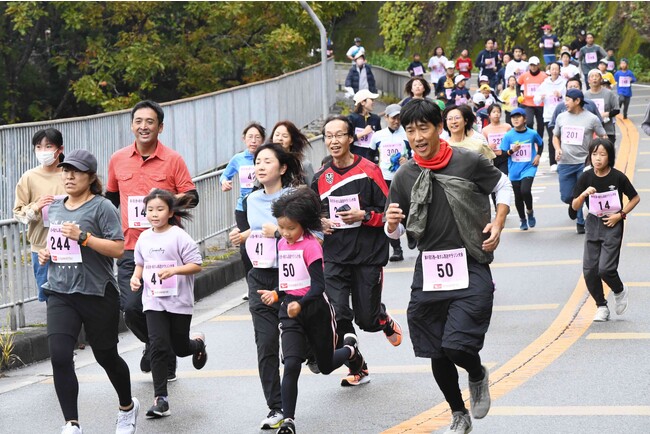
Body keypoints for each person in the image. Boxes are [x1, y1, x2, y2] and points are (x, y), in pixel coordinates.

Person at [384, 98, 512, 434]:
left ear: (439, 128)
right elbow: (395, 230)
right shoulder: (404, 175)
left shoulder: (467, 160)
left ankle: (477, 373)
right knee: (436, 349)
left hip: (469, 263)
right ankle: (458, 413)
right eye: (410, 130)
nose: (417, 137)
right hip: (429, 268)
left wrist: (498, 222)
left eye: (423, 128)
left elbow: (502, 185)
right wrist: (391, 224)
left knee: (456, 345)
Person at [38, 149, 139, 434]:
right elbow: (57, 243)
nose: (69, 176)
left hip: (96, 292)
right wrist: (47, 253)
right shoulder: (55, 207)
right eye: (65, 170)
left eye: (76, 172)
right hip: (60, 291)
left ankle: (127, 407)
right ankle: (72, 423)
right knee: (60, 356)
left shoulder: (102, 207)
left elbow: (118, 248)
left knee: (106, 356)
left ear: (91, 177)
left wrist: (84, 237)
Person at [260, 187, 365, 434]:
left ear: (304, 225)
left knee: (325, 366)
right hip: (290, 312)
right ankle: (289, 420)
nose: (285, 233)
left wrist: (301, 303)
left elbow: (318, 286)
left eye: (291, 228)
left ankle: (350, 350)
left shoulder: (311, 246)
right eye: (281, 227)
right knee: (292, 364)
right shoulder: (282, 244)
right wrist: (276, 294)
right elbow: (288, 281)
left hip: (316, 310)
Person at [106, 100, 199, 380]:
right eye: (138, 121)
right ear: (131, 125)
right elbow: (110, 200)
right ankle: (156, 344)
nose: (143, 126)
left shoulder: (173, 159)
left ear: (160, 127)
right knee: (132, 308)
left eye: (150, 122)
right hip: (131, 248)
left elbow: (193, 197)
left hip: (166, 251)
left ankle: (163, 358)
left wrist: (166, 204)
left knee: (163, 308)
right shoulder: (118, 159)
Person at [312, 115, 403, 387]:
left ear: (351, 138)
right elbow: (311, 216)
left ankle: (382, 319)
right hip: (335, 257)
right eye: (329, 136)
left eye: (339, 135)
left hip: (367, 256)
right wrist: (319, 222)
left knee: (367, 320)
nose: (334, 141)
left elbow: (389, 213)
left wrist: (364, 215)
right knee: (338, 315)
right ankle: (358, 367)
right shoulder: (320, 178)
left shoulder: (369, 170)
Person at [229, 143, 303, 430]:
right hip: (259, 277)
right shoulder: (251, 200)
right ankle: (276, 407)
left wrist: (279, 233)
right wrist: (243, 235)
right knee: (266, 342)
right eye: (257, 161)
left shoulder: (295, 198)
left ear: (282, 168)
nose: (260, 166)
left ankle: (317, 352)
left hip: (291, 276)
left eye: (267, 161)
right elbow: (259, 230)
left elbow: (311, 237)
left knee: (298, 347)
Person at [130, 189, 207, 419]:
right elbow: (140, 264)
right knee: (158, 345)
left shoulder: (179, 236)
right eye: (150, 210)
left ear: (171, 212)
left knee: (180, 348)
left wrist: (174, 270)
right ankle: (160, 399)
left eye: (160, 209)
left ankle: (197, 345)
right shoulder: (144, 238)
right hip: (153, 300)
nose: (154, 214)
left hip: (179, 301)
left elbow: (196, 265)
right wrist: (135, 278)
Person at [571, 138, 640, 322]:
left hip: (612, 224)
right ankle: (601, 306)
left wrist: (620, 215)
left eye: (602, 154)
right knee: (589, 270)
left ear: (610, 157)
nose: (598, 158)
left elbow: (635, 198)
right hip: (593, 223)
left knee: (605, 269)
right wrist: (583, 194)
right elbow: (574, 206)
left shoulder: (618, 177)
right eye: (594, 154)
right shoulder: (586, 177)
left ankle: (619, 290)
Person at [13, 128, 67, 303]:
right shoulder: (29, 177)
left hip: (71, 246)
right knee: (50, 299)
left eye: (48, 146)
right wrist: (36, 207)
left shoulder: (70, 174)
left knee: (73, 296)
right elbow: (18, 214)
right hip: (41, 249)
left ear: (60, 149)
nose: (43, 151)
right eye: (38, 146)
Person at [553, 88, 607, 234]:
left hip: (585, 163)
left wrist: (599, 153)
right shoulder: (561, 117)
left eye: (567, 100)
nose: (565, 103)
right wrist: (557, 149)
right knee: (566, 196)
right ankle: (573, 205)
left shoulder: (592, 118)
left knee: (583, 192)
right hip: (565, 162)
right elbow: (555, 136)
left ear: (577, 101)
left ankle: (581, 222)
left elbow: (603, 136)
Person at [221, 122, 266, 274]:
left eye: (257, 137)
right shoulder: (238, 159)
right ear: (244, 139)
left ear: (263, 140)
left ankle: (263, 277)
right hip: (243, 208)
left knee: (262, 240)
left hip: (262, 206)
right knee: (245, 245)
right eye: (250, 137)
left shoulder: (267, 157)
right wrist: (224, 182)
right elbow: (224, 175)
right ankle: (250, 278)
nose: (253, 141)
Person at [370, 103, 412, 262]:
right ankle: (397, 249)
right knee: (389, 213)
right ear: (386, 117)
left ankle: (413, 235)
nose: (396, 121)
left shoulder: (407, 134)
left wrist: (408, 161)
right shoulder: (378, 136)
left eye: (399, 118)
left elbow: (416, 154)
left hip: (404, 178)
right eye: (393, 118)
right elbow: (370, 156)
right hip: (384, 179)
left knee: (408, 209)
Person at [500, 108, 544, 231]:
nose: (515, 119)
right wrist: (512, 151)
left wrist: (538, 155)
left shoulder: (532, 133)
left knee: (525, 190)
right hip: (514, 170)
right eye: (513, 117)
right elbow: (502, 154)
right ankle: (522, 219)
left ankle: (529, 211)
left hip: (529, 167)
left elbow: (541, 144)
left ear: (525, 119)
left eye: (518, 117)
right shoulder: (508, 136)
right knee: (518, 196)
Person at [533, 62, 567, 171]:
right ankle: (553, 162)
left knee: (563, 138)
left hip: (563, 115)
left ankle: (563, 160)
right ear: (549, 71)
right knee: (552, 137)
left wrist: (561, 96)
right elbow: (536, 99)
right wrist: (541, 98)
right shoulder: (545, 83)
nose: (554, 71)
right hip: (549, 116)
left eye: (556, 69)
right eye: (553, 69)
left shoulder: (564, 83)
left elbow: (568, 98)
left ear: (559, 70)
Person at [270, 120, 315, 185]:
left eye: (285, 136)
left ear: (291, 141)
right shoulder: (265, 162)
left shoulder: (303, 164)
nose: (280, 138)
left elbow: (313, 188)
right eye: (277, 135)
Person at [585, 69, 620, 145]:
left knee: (608, 151)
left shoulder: (609, 93)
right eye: (592, 76)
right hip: (590, 131)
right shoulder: (585, 95)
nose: (594, 78)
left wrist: (607, 114)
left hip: (607, 130)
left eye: (597, 76)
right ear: (588, 80)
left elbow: (617, 110)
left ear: (601, 79)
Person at [348, 89, 382, 162]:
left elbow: (380, 139)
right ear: (363, 102)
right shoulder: (351, 118)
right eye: (371, 100)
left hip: (371, 159)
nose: (373, 102)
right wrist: (363, 133)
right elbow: (347, 139)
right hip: (355, 159)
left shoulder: (376, 118)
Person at [482, 104, 511, 177]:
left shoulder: (507, 127)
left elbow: (512, 140)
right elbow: (483, 146)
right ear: (489, 115)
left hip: (505, 156)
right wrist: (489, 147)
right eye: (494, 112)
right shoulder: (485, 130)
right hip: (493, 158)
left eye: (498, 112)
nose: (496, 114)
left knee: (503, 177)